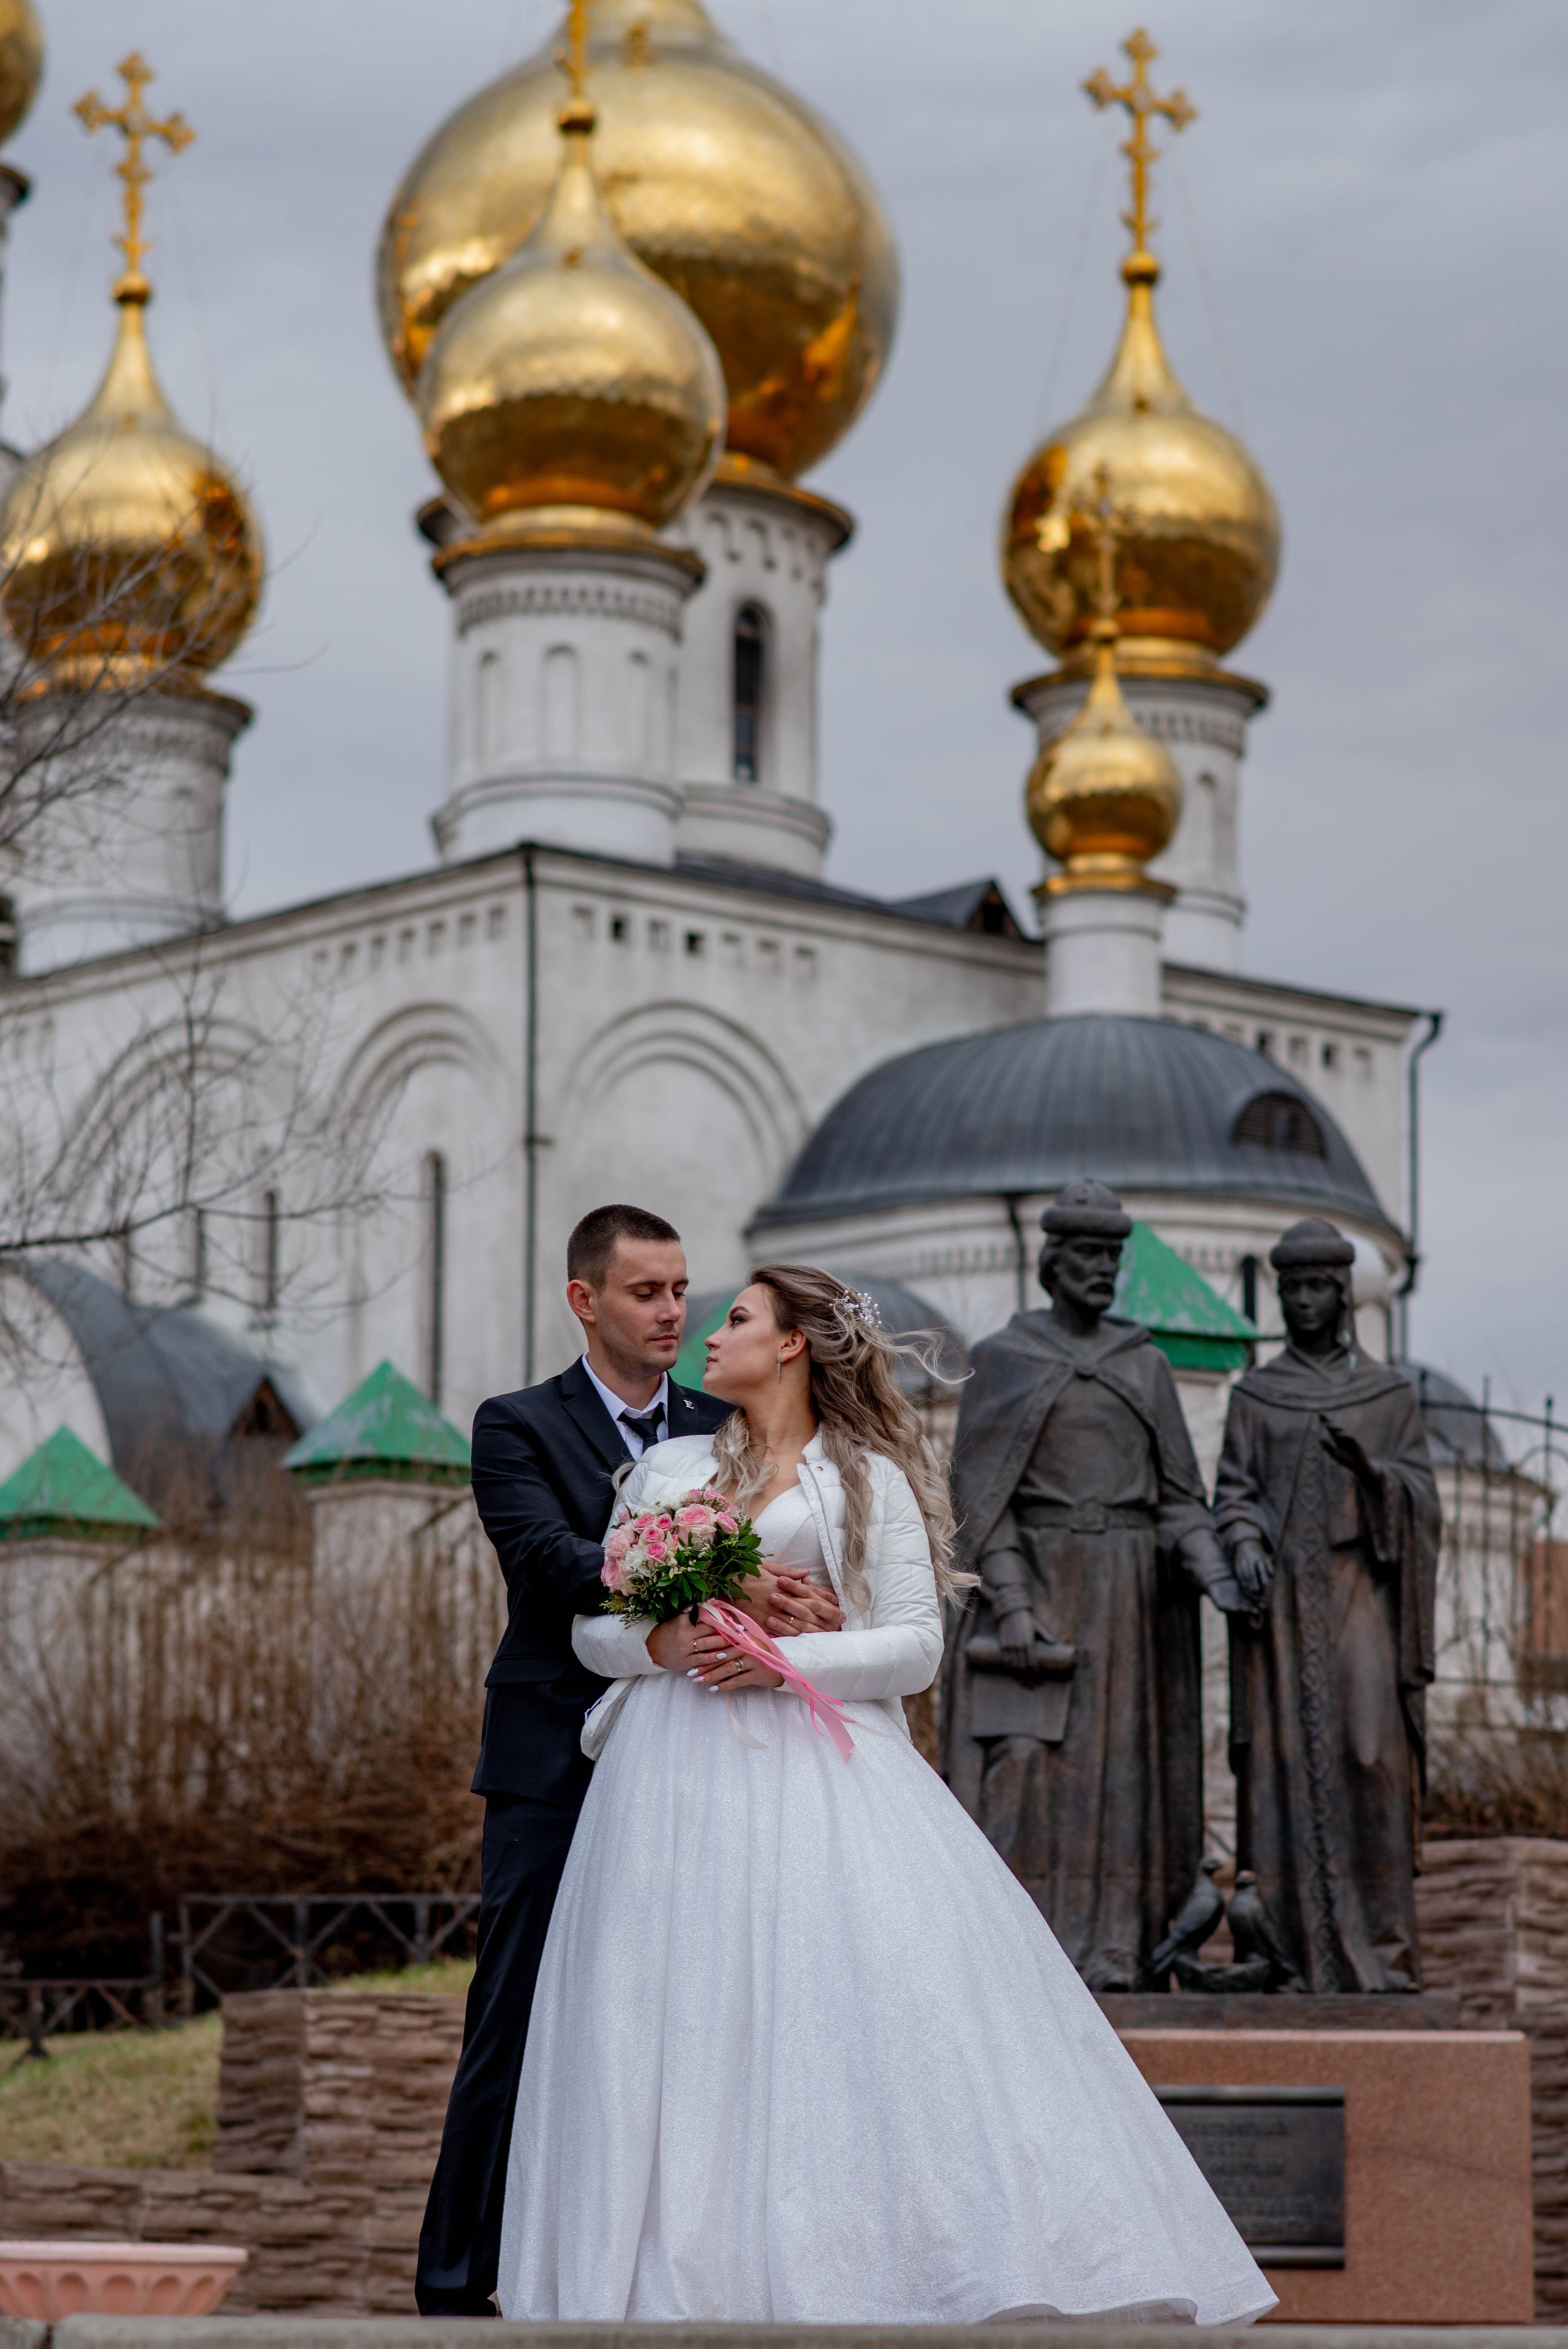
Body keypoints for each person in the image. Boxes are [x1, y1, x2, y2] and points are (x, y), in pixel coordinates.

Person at [494, 1263, 1273, 2326]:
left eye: (737, 1319)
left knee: (820, 2019)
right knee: (668, 2022)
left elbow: (915, 1647)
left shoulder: (868, 1478)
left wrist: (786, 1664)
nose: (706, 1334)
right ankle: (664, 2288)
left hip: (818, 1775)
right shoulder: (671, 1471)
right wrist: (671, 1636)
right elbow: (594, 1628)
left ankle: (841, 2279)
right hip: (667, 1785)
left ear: (792, 1346)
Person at [415, 1205, 841, 2316]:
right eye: (646, 1292)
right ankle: (460, 2287)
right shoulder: (515, 1424)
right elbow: (548, 1561)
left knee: (683, 2020)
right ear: (584, 1300)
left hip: (709, 1763)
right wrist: (717, 1572)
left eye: (681, 1291)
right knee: (515, 2012)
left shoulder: (722, 1415)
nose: (671, 1312)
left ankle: (652, 2272)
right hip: (553, 1762)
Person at [942, 1179, 1248, 1991]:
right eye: (1085, 1253)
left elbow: (1182, 1495)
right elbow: (979, 1494)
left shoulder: (1144, 1363)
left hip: (1130, 1600)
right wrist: (1008, 1598)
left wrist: (1215, 1573)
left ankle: (1117, 1945)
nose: (1101, 1269)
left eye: (1111, 1254)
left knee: (1122, 1778)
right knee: (1027, 1771)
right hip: (1037, 1586)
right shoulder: (1005, 1357)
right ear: (1052, 1260)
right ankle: (1020, 1949)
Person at [1215, 1216, 1441, 1993]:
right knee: (1281, 1770)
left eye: (1318, 1287)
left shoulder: (1387, 1395)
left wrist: (1373, 1471)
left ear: (1344, 1295)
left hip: (1359, 1598)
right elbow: (1234, 1493)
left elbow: (1421, 1503)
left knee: (1371, 1757)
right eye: (1293, 1288)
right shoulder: (1257, 1395)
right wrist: (1243, 1542)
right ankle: (1288, 1956)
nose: (1305, 1301)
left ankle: (1383, 1957)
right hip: (1281, 1613)